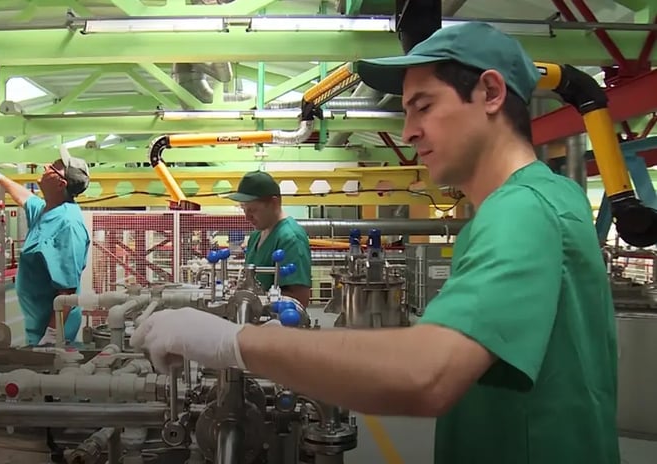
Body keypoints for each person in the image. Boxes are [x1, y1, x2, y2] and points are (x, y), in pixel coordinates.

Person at [131, 22, 620, 463]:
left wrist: (226, 341)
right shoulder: (546, 198)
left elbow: (426, 373)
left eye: (423, 106)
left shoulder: (523, 209)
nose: (408, 131)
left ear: (490, 92)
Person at [0, 146, 91, 346]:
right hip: (39, 323)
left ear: (60, 183)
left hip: (56, 329)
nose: (46, 166)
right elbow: (25, 198)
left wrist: (51, 336)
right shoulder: (48, 210)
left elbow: (67, 291)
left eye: (53, 168)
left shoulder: (68, 224)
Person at [228, 170, 312, 308]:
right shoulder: (256, 235)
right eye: (244, 209)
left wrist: (257, 303)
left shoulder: (290, 238)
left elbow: (299, 300)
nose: (247, 217)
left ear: (274, 203)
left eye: (253, 210)